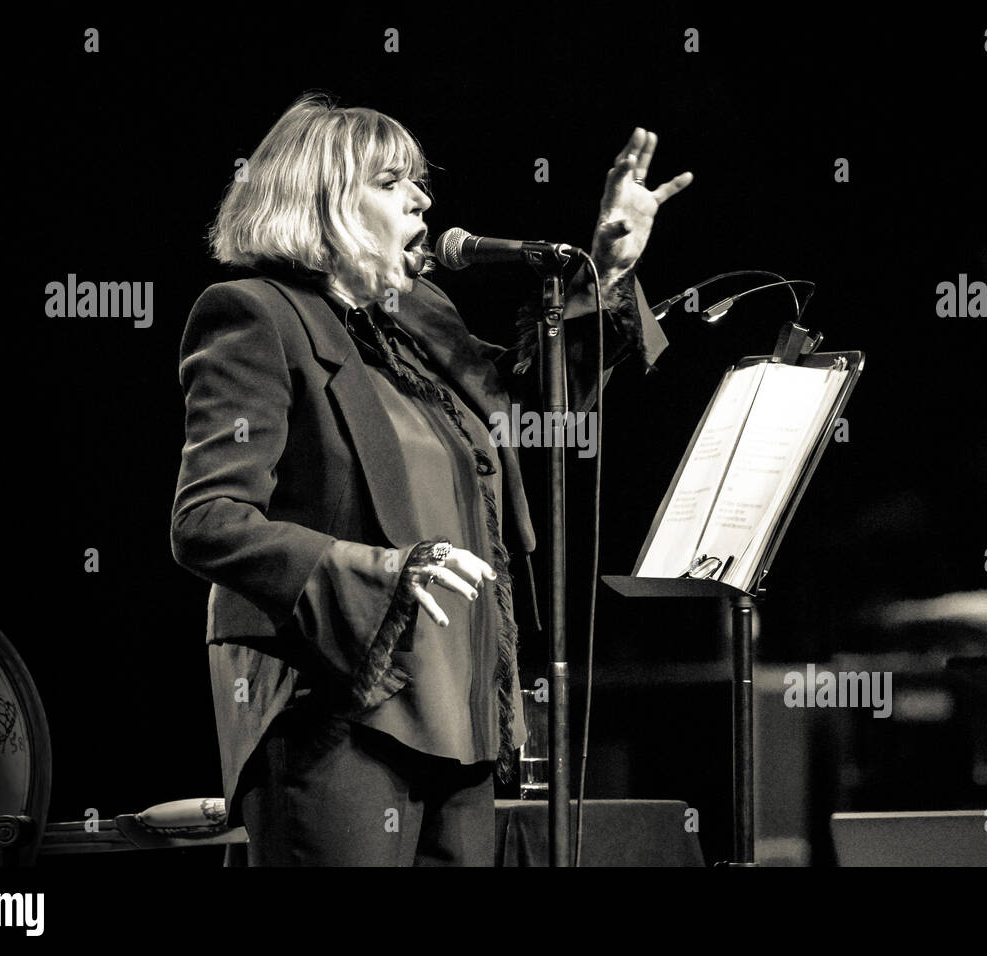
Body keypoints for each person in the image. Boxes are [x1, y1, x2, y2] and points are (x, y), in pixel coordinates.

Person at [169, 92, 691, 865]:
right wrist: (378, 570)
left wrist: (605, 273)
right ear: (323, 201)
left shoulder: (419, 318)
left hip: (459, 708)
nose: (422, 199)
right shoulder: (254, 316)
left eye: (419, 181)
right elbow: (207, 519)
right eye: (390, 181)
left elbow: (530, 400)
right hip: (335, 710)